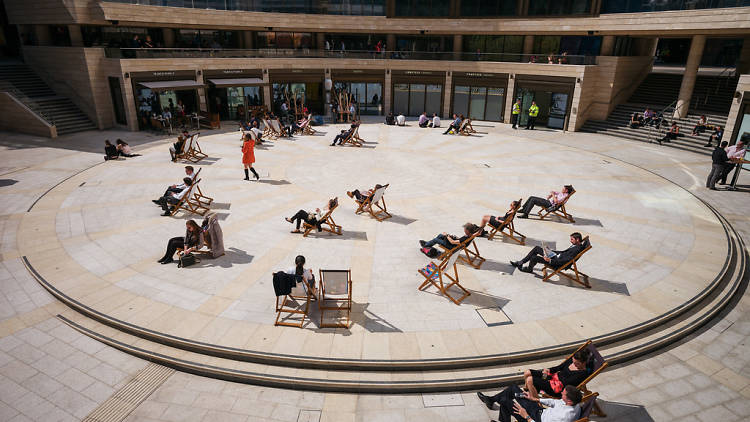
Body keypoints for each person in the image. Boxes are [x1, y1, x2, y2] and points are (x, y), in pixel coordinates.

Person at [476, 384, 583, 422]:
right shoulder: (575, 403)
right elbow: (554, 402)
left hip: (534, 419)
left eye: (563, 394)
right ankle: (491, 400)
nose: (561, 393)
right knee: (514, 389)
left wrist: (526, 416)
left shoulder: (564, 417)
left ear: (569, 400)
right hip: (539, 411)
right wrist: (534, 399)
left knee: (505, 401)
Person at [522, 349, 592, 400]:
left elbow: (566, 384)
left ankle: (537, 402)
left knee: (530, 380)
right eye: (573, 362)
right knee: (527, 372)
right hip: (551, 378)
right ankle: (527, 391)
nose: (574, 364)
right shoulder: (572, 360)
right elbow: (559, 367)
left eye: (577, 363)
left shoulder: (582, 373)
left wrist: (547, 380)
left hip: (556, 388)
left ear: (584, 362)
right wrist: (548, 370)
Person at [510, 232, 585, 273]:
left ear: (577, 239)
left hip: (556, 262)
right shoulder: (576, 245)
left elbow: (567, 260)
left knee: (534, 258)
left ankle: (529, 269)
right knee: (537, 248)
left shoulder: (576, 249)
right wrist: (551, 251)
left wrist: (550, 260)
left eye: (572, 239)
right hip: (555, 256)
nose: (570, 241)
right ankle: (521, 262)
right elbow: (563, 252)